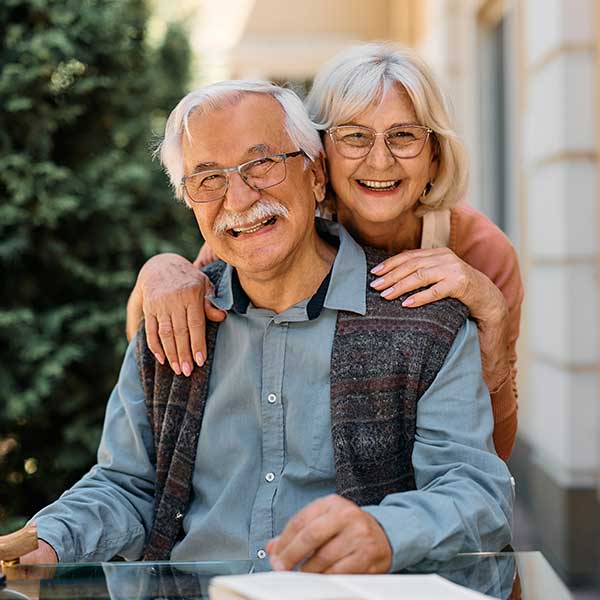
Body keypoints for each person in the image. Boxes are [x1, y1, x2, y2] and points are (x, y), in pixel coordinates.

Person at [22, 80, 512, 573]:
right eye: (207, 178)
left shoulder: (424, 319)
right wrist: (47, 542)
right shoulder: (174, 317)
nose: (237, 198)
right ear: (189, 201)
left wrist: (389, 531)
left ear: (316, 175)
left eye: (261, 164)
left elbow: (475, 492)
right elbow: (125, 486)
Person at [127, 43, 523, 461]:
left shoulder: (482, 252)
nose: (380, 160)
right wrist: (158, 270)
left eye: (403, 135)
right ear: (319, 154)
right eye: (354, 136)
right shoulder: (274, 228)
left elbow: (490, 458)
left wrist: (493, 318)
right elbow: (154, 346)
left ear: (435, 153)